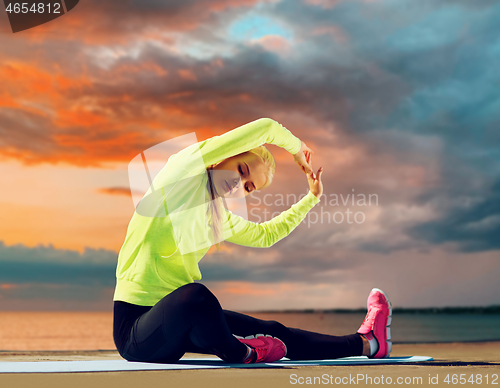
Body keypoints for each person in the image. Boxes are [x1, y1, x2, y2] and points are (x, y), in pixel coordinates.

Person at [113, 118, 392, 364]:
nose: (239, 184)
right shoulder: (182, 172)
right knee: (196, 296)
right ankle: (243, 354)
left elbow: (266, 235)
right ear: (227, 154)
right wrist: (297, 149)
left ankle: (368, 343)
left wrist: (311, 198)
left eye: (248, 187)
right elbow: (266, 127)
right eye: (242, 169)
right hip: (135, 331)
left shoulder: (218, 217)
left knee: (273, 331)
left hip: (179, 327)